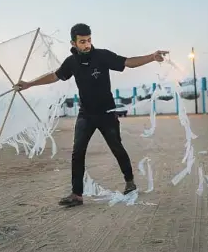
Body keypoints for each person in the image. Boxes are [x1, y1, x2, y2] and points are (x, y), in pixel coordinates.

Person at [16, 23, 167, 207]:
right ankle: (76, 194)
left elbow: (128, 62)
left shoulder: (102, 56)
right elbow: (55, 76)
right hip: (85, 114)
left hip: (106, 113)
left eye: (89, 40)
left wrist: (152, 57)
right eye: (82, 41)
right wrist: (29, 84)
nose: (87, 44)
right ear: (74, 42)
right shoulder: (71, 63)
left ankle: (129, 182)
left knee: (116, 147)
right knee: (77, 152)